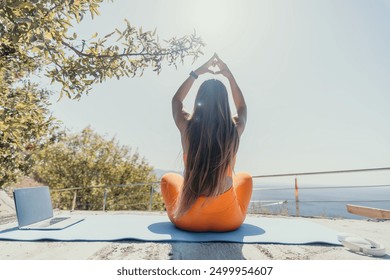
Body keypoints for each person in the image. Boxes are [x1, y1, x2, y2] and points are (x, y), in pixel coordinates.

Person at [161, 54, 253, 232]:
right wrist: (229, 75)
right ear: (225, 104)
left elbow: (176, 101)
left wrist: (197, 72)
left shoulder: (186, 126)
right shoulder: (234, 129)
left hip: (187, 218)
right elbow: (242, 107)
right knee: (245, 177)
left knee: (168, 179)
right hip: (229, 222)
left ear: (199, 100)